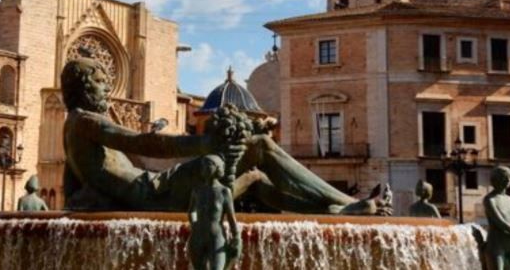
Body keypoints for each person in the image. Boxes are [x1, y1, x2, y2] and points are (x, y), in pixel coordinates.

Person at [61, 57, 390, 215]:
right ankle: (347, 203)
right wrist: (207, 143)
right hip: (159, 194)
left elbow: (73, 184)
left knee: (257, 179)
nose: (107, 89)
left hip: (158, 190)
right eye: (103, 83)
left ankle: (335, 210)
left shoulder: (74, 128)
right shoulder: (85, 121)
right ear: (86, 86)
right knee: (260, 145)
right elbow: (143, 142)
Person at [188, 155, 240, 270]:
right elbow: (191, 211)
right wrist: (194, 224)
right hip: (197, 236)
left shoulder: (224, 192)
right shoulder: (197, 190)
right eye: (203, 165)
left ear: (217, 168)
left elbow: (231, 217)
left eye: (208, 165)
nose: (203, 168)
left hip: (217, 237)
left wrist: (236, 236)